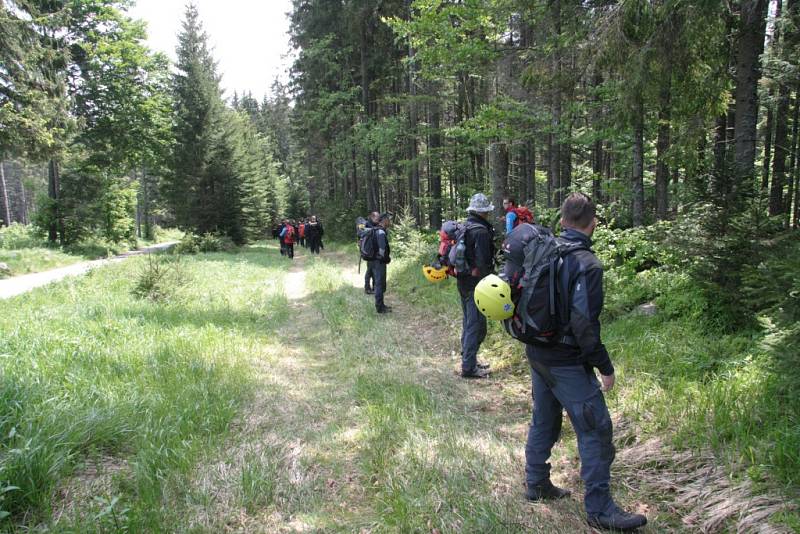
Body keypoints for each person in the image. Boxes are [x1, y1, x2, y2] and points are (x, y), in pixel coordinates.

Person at [523, 193, 647, 531]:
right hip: (566, 361)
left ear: (562, 221)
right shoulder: (586, 264)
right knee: (596, 429)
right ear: (593, 223)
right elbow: (583, 324)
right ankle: (599, 508)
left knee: (544, 418)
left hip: (537, 352)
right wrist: (604, 366)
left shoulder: (546, 250)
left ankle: (536, 483)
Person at [457, 193, 496, 378]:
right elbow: (483, 262)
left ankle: (468, 358)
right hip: (476, 284)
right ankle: (468, 367)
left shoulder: (465, 226)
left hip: (463, 281)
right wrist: (491, 284)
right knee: (477, 325)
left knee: (468, 322)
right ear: (483, 212)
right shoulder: (480, 231)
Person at [373, 213, 392, 313]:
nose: (389, 221)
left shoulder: (378, 230)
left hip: (377, 261)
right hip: (379, 262)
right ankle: (380, 308)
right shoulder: (381, 232)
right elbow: (382, 249)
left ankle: (381, 305)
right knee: (379, 284)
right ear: (384, 220)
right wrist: (385, 259)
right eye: (388, 219)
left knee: (379, 283)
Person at [364, 211, 380, 295]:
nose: (378, 220)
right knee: (370, 270)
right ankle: (367, 288)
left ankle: (374, 287)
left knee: (375, 270)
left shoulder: (376, 224)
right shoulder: (366, 224)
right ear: (372, 217)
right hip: (369, 252)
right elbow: (362, 232)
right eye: (377, 218)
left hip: (375, 251)